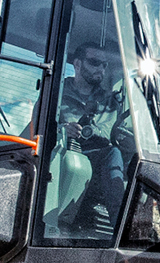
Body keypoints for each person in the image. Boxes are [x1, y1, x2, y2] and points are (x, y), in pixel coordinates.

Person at [50, 42, 135, 238]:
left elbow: (114, 133)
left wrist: (91, 131)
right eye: (95, 63)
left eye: (104, 65)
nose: (101, 69)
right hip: (59, 162)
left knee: (116, 154)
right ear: (77, 64)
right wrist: (62, 130)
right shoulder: (56, 93)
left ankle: (123, 230)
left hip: (97, 164)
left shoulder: (110, 101)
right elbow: (38, 128)